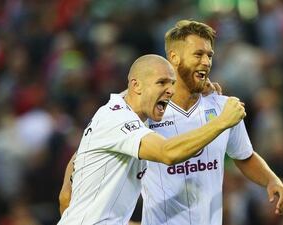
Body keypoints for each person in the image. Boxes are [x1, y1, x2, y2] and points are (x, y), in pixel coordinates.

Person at [57, 54, 246, 225]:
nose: (170, 90)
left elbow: (74, 173)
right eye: (162, 82)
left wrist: (191, 86)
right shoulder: (117, 119)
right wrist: (222, 122)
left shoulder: (124, 115)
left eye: (172, 83)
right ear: (136, 85)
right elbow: (167, 153)